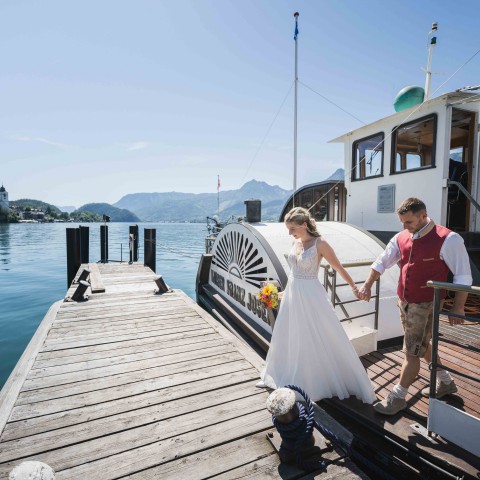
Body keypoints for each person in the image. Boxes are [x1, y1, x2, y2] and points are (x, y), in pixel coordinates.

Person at [358, 197, 472, 415]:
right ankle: (445, 381)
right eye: (402, 222)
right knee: (421, 344)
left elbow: (463, 275)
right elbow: (382, 261)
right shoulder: (402, 236)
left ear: (423, 215)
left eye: (409, 222)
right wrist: (367, 285)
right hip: (404, 302)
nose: (405, 227)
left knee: (411, 352)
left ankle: (398, 397)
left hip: (427, 304)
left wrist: (458, 308)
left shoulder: (449, 239)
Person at [258, 207, 377, 404]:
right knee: (289, 335)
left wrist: (355, 288)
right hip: (293, 296)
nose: (290, 233)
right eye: (288, 229)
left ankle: (311, 384)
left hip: (312, 296)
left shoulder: (320, 244)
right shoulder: (295, 242)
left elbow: (338, 267)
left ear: (304, 225)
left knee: (315, 335)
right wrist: (284, 292)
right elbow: (293, 273)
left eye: (293, 228)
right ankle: (278, 376)